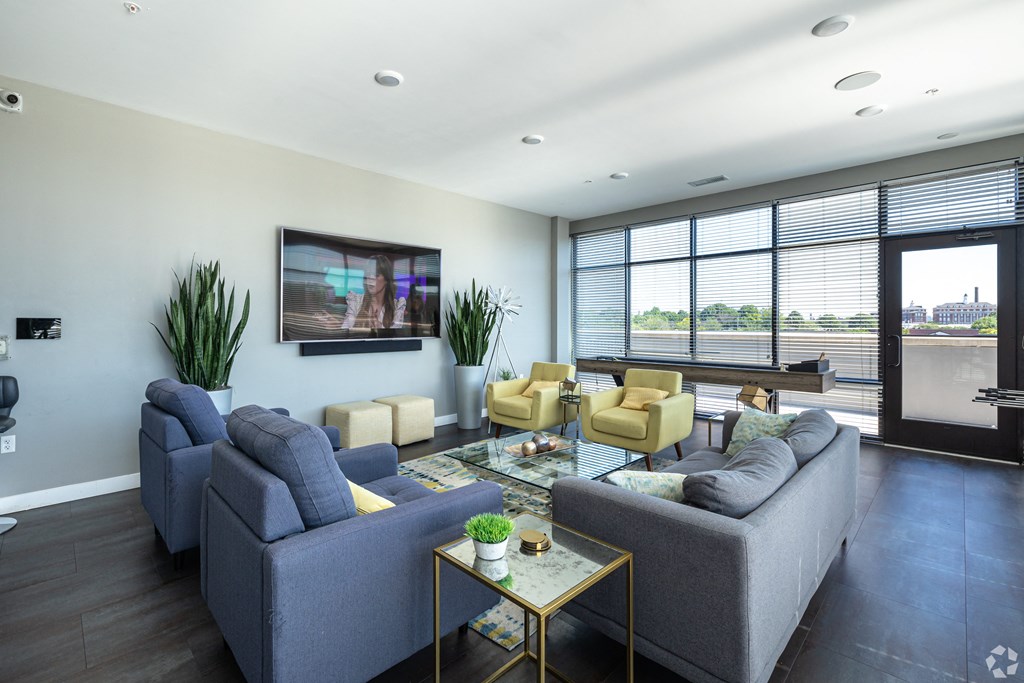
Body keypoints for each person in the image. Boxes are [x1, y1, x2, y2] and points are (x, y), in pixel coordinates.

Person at [342, 255, 406, 331]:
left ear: (386, 279)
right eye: (368, 274)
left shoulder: (397, 307)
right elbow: (345, 329)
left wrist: (380, 329)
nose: (370, 278)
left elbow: (396, 338)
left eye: (376, 275)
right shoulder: (356, 301)